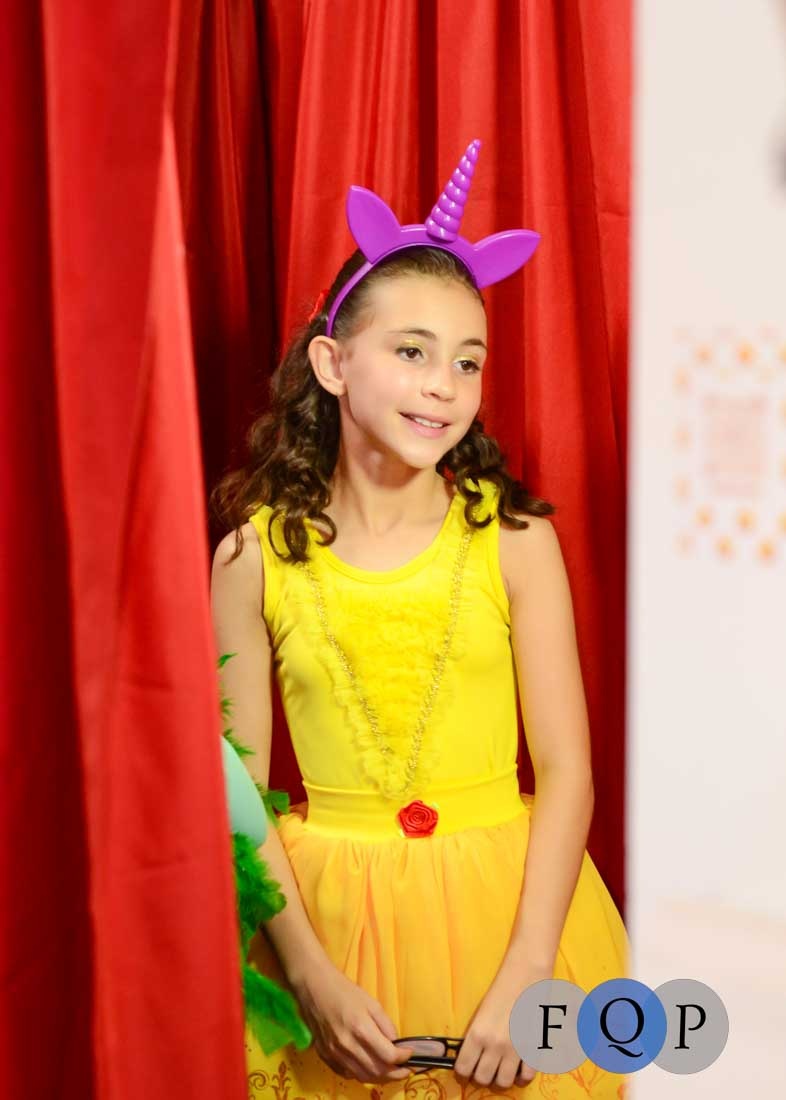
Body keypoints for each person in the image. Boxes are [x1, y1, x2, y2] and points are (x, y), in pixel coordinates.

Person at [210, 140, 629, 1099]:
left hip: (512, 919)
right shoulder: (250, 557)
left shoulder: (515, 540)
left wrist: (530, 974)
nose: (445, 383)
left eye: (467, 362)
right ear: (333, 363)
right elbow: (239, 789)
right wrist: (308, 975)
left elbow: (568, 769)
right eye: (412, 352)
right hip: (330, 928)